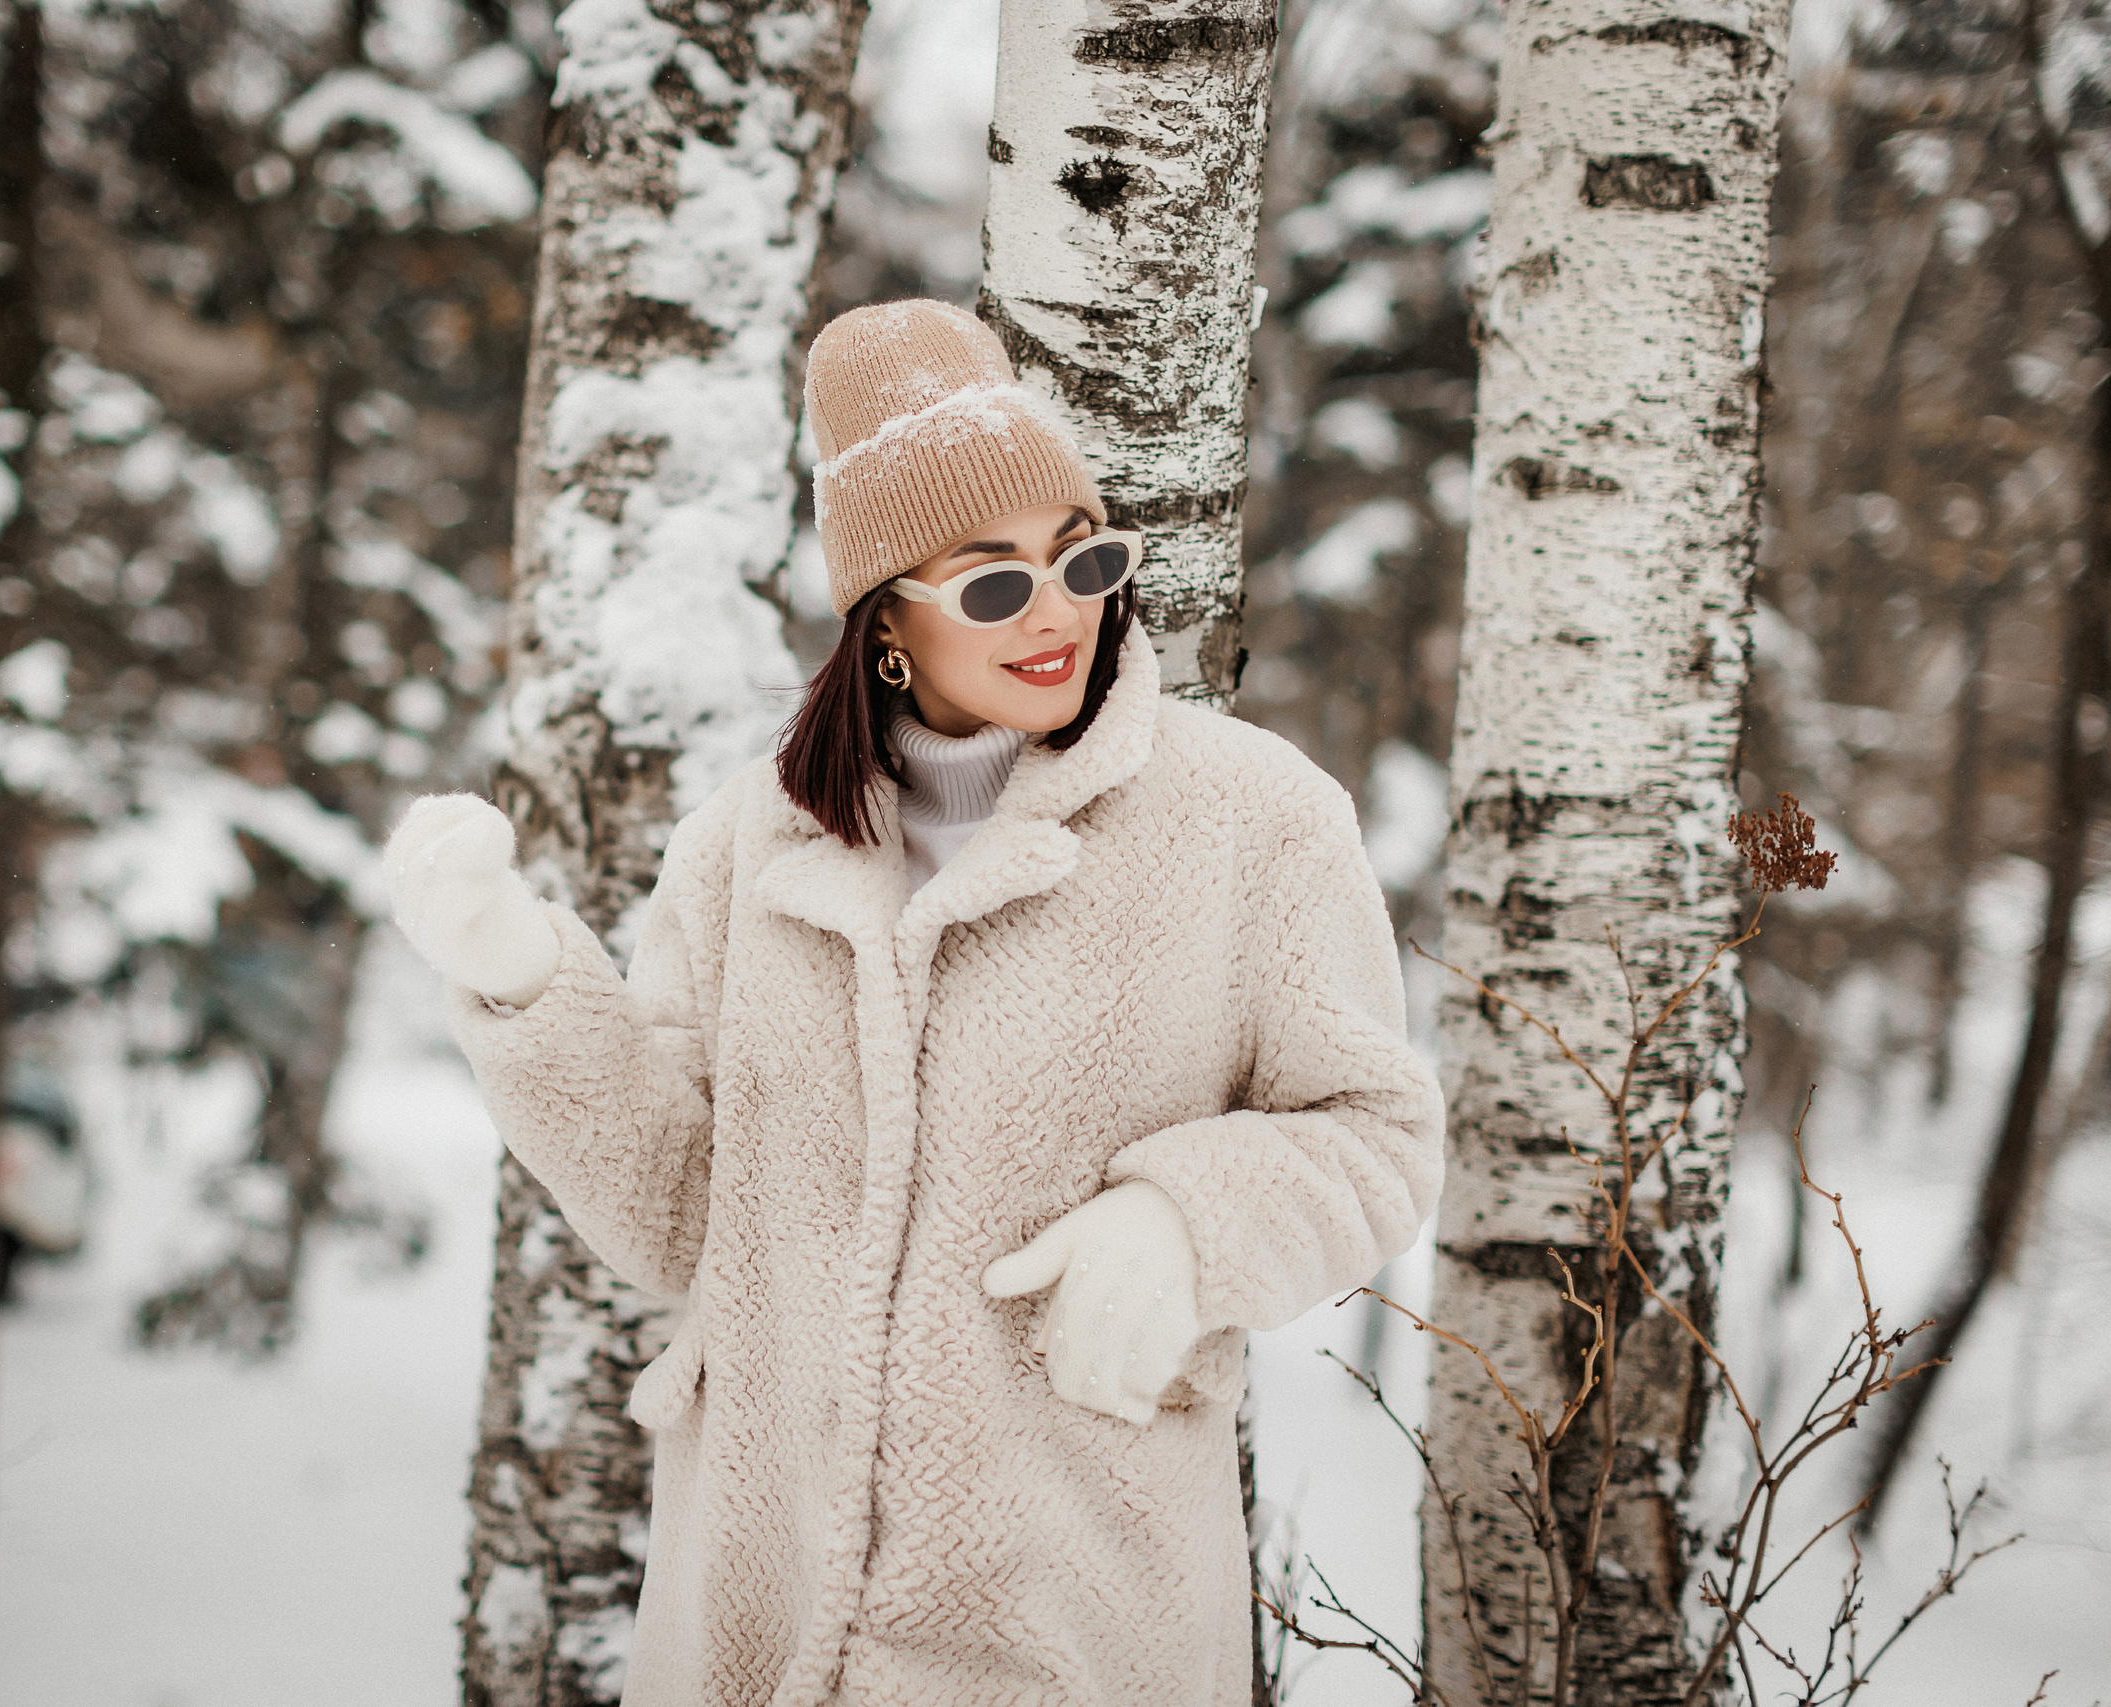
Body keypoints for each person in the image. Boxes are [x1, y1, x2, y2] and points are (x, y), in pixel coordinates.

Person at [384, 299, 1444, 1706]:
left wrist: (1187, 1222)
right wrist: (520, 979)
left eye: (1083, 557)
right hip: (757, 1607)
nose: (1057, 611)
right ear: (886, 620)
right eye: (992, 585)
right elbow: (683, 1212)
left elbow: (1375, 1131)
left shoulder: (1251, 819)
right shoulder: (746, 847)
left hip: (1074, 1610)